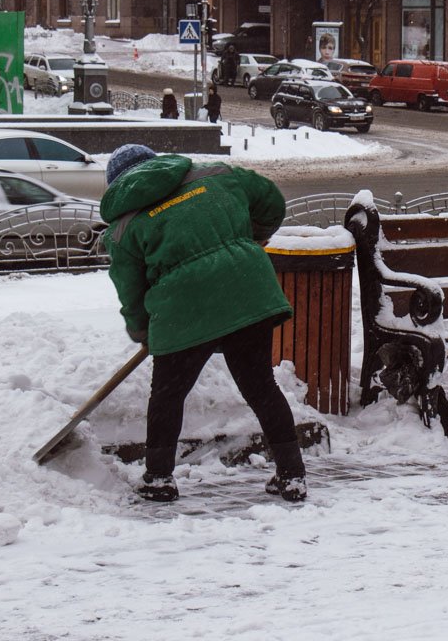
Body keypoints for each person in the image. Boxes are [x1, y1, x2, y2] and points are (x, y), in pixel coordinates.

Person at [100, 144, 306, 503]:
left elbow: (130, 291)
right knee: (260, 386)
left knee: (168, 395)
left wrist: (143, 329)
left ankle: (159, 479)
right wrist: (249, 238)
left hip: (183, 309)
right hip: (247, 290)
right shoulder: (217, 175)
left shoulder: (123, 227)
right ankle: (292, 475)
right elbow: (271, 200)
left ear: (117, 184)